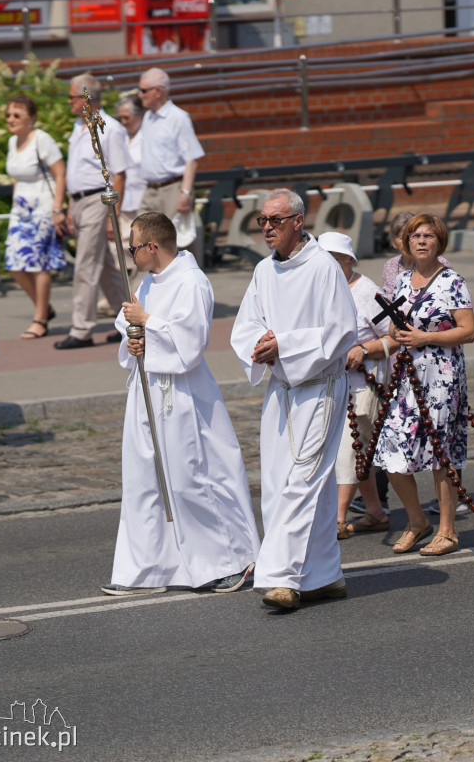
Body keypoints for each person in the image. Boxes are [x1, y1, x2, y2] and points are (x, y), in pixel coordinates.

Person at [102, 212, 260, 596]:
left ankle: (232, 560)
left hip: (182, 395)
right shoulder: (150, 281)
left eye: (133, 247)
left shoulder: (191, 281)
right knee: (144, 480)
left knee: (192, 479)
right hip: (147, 388)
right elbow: (136, 330)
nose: (130, 255)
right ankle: (146, 567)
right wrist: (135, 339)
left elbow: (191, 343)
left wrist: (147, 323)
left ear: (151, 247)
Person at [230, 189, 358, 610]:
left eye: (276, 220)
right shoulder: (265, 271)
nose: (267, 228)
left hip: (318, 388)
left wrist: (283, 343)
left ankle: (282, 577)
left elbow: (341, 331)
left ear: (298, 221)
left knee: (302, 482)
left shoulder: (323, 267)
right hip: (281, 390)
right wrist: (260, 344)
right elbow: (246, 323)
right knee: (282, 484)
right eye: (262, 221)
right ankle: (324, 574)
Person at [374, 213, 474, 556]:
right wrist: (397, 332)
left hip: (442, 376)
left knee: (440, 453)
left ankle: (447, 532)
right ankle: (418, 522)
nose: (420, 241)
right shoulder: (402, 280)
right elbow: (392, 327)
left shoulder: (452, 281)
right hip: (407, 376)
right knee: (390, 449)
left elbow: (468, 331)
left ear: (438, 242)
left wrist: (426, 337)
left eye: (427, 236)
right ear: (405, 242)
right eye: (414, 235)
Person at [317, 231, 395, 540]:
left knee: (350, 449)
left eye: (335, 260)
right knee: (358, 450)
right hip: (334, 383)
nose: (329, 267)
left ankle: (337, 518)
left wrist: (363, 350)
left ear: (349, 260)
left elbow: (395, 336)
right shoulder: (319, 290)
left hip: (366, 384)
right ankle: (375, 512)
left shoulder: (368, 293)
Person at [54, 74, 129, 349]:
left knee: (86, 266)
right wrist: (71, 208)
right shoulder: (78, 126)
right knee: (107, 268)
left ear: (88, 98)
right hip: (80, 201)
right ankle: (129, 320)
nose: (69, 102)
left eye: (73, 97)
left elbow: (119, 174)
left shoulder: (110, 128)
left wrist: (114, 214)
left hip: (99, 201)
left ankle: (81, 329)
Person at [4, 94, 67, 339]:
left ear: (31, 119)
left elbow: (60, 173)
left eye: (16, 115)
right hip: (20, 212)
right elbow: (16, 176)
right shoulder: (12, 142)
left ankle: (40, 318)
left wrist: (57, 208)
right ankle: (45, 308)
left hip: (43, 209)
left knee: (40, 264)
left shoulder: (42, 140)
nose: (11, 119)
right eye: (8, 115)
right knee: (14, 263)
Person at [97, 93, 145, 317]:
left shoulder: (147, 136)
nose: (124, 122)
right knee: (121, 253)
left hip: (143, 200)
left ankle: (136, 299)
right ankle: (123, 298)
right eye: (121, 118)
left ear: (139, 115)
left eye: (128, 118)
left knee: (140, 252)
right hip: (124, 202)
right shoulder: (120, 136)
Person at [137, 67, 205, 221]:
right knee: (143, 237)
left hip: (172, 190)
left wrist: (185, 193)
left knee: (172, 240)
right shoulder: (148, 117)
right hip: (150, 190)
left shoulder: (178, 118)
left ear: (158, 92)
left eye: (143, 90)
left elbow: (191, 159)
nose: (139, 95)